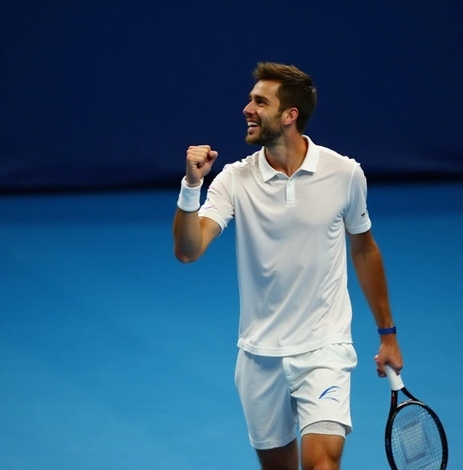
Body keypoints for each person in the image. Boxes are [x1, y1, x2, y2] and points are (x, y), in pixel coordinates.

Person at [172, 62, 403, 470]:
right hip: (259, 355)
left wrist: (388, 335)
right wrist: (192, 186)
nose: (247, 108)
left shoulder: (345, 173)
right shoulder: (233, 180)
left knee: (323, 464)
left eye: (260, 102)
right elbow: (189, 250)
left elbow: (364, 250)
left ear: (289, 115)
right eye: (250, 99)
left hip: (324, 347)